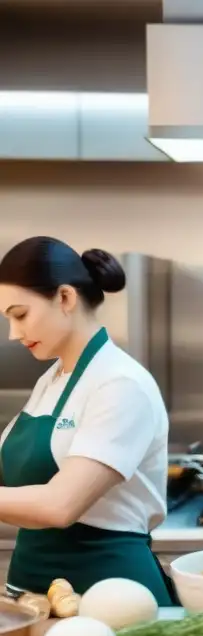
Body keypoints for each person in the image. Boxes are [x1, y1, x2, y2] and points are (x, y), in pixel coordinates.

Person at [0, 236, 176, 606]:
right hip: (34, 601)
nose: (13, 334)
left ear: (65, 298)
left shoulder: (121, 383)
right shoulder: (52, 380)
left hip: (111, 602)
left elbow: (59, 505)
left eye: (20, 315)